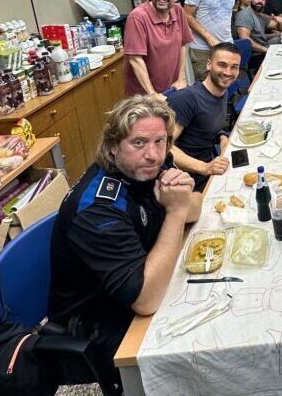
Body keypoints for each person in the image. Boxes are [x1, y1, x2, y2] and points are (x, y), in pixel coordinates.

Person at [48, 95, 202, 382]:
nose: (154, 155)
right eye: (139, 143)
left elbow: (194, 207)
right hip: (98, 324)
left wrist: (180, 202)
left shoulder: (146, 166)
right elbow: (146, 300)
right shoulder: (97, 209)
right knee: (203, 351)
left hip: (137, 278)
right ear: (112, 147)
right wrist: (175, 211)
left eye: (160, 142)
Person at [168, 43, 240, 192]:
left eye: (234, 67)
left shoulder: (222, 91)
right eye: (222, 65)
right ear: (209, 65)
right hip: (188, 179)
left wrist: (222, 136)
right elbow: (163, 148)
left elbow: (205, 125)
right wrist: (205, 168)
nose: (228, 72)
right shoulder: (187, 99)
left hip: (210, 166)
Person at [124, 0, 192, 98]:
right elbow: (135, 59)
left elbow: (183, 44)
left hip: (171, 88)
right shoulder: (137, 17)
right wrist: (152, 94)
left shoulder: (178, 11)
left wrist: (181, 78)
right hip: (144, 95)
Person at [235, 0, 282, 74]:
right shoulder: (244, 15)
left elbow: (280, 28)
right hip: (254, 57)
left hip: (263, 50)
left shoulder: (259, 15)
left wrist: (280, 21)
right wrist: (266, 50)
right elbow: (245, 40)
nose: (260, 1)